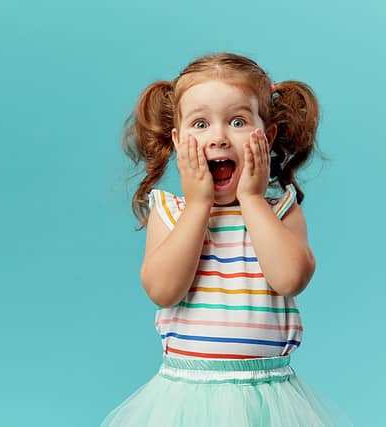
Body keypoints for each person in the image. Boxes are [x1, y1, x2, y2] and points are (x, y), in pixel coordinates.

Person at [100, 52, 352, 426]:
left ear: (266, 137)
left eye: (237, 121)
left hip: (269, 400)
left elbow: (289, 278)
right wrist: (199, 204)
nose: (218, 137)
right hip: (186, 397)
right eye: (200, 124)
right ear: (178, 139)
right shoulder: (169, 212)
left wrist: (251, 199)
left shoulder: (281, 211)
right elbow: (163, 290)